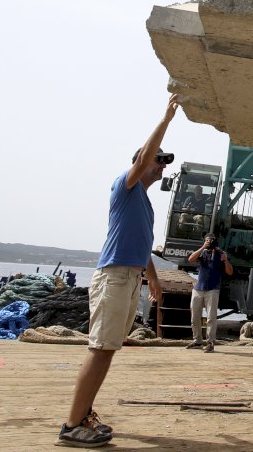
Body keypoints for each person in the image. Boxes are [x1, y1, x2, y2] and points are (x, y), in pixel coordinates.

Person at [57, 95, 177, 448]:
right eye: (158, 161)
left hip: (129, 277)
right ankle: (72, 424)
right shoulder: (124, 188)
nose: (161, 167)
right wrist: (166, 118)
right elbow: (142, 158)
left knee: (108, 348)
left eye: (163, 163)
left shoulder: (145, 204)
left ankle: (84, 415)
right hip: (113, 277)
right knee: (100, 348)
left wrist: (151, 278)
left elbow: (143, 244)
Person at [186, 233, 233, 352]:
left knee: (211, 317)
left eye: (211, 240)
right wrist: (203, 247)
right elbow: (191, 259)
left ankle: (210, 342)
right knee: (194, 316)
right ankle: (197, 341)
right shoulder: (202, 252)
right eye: (207, 240)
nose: (209, 242)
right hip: (198, 288)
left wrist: (225, 260)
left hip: (212, 289)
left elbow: (230, 272)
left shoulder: (221, 254)